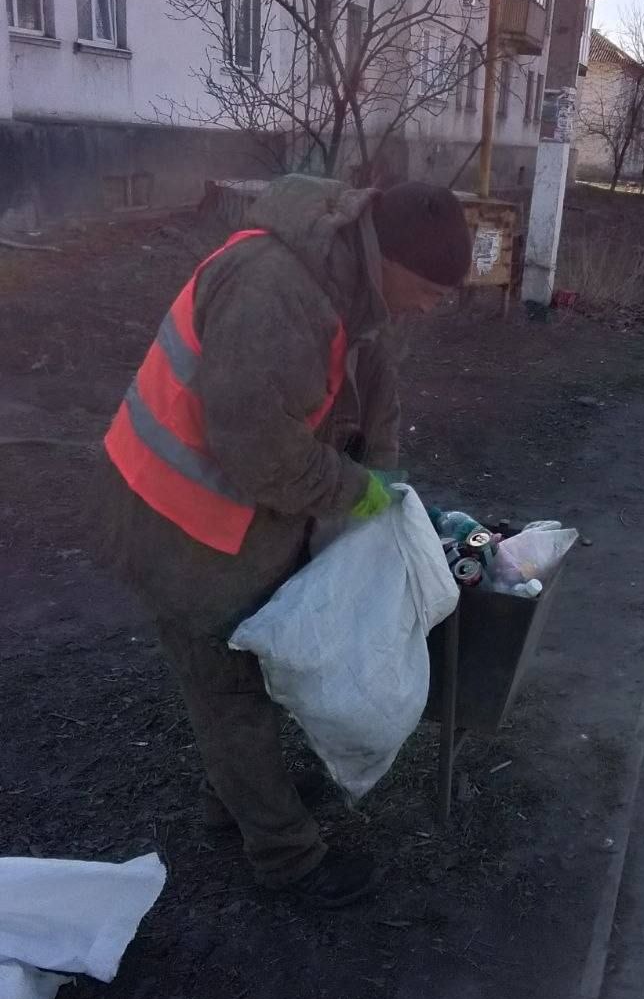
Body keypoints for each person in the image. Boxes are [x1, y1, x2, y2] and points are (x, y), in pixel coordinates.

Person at [99, 175, 474, 907]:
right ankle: (287, 857)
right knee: (229, 690)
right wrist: (349, 491)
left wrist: (386, 479)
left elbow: (375, 386)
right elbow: (256, 449)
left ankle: (234, 798)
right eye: (432, 290)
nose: (435, 307)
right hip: (168, 518)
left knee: (256, 663)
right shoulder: (272, 291)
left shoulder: (351, 285)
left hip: (228, 517)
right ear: (390, 261)